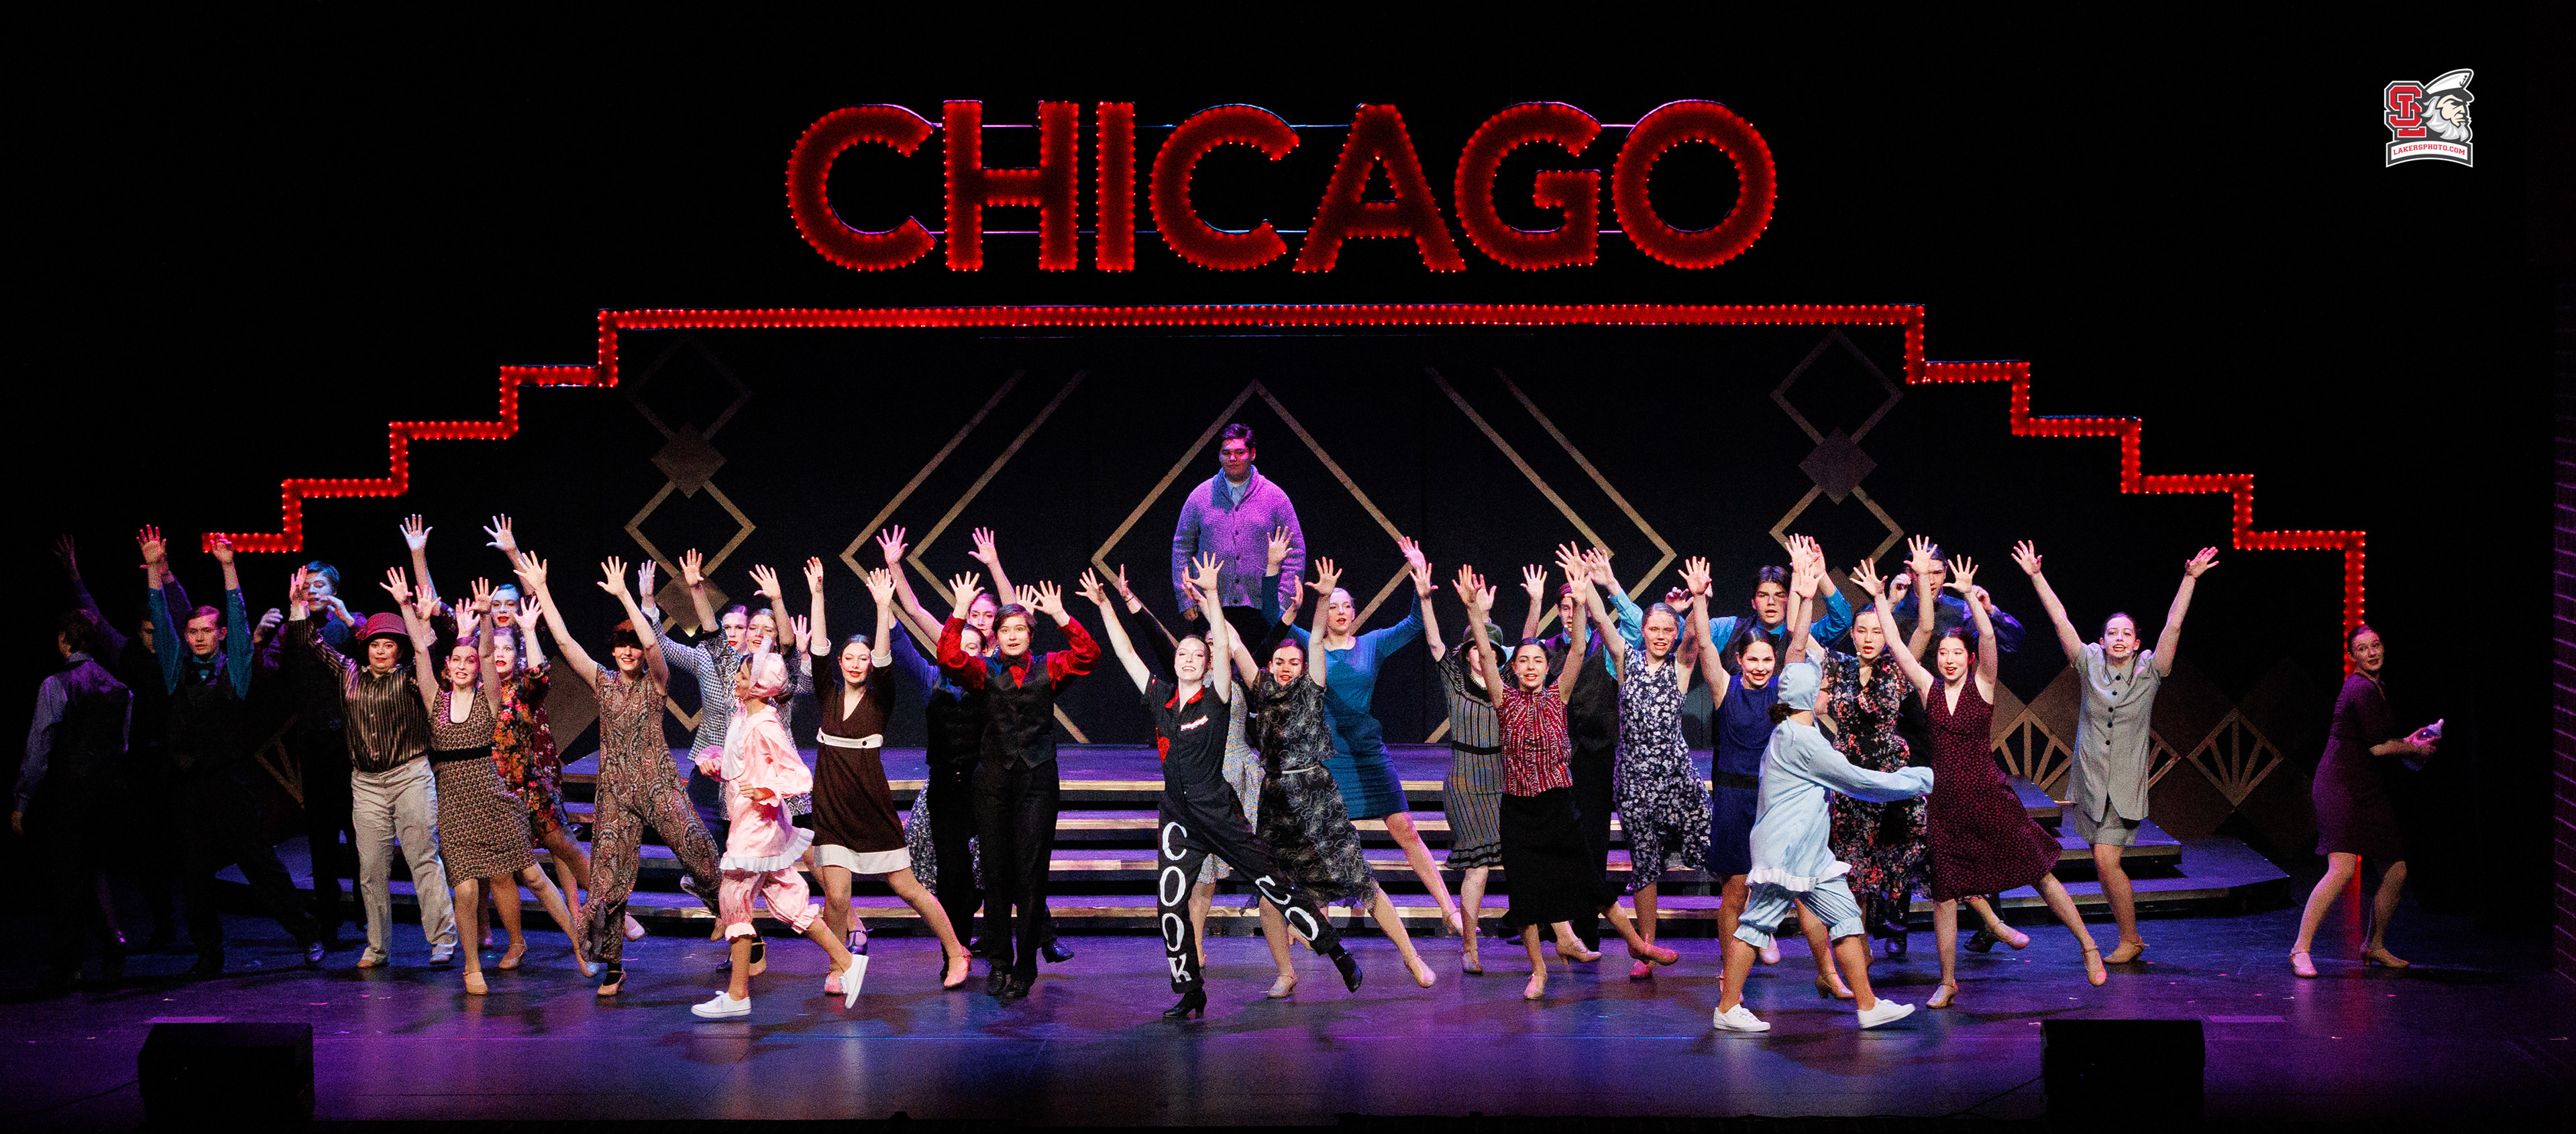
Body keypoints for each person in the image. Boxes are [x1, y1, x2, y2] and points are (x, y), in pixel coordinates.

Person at [1091, 554, 1365, 1017]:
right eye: (1183, 654)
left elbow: (1222, 641)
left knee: (1274, 884)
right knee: (1170, 905)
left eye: (1198, 655)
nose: (1190, 659)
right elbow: (1126, 654)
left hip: (1219, 811)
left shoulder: (1218, 697)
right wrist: (1105, 606)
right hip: (1178, 818)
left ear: (1207, 663)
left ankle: (1336, 952)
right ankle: (1191, 990)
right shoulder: (1160, 697)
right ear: (1175, 661)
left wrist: (1213, 597)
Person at [1863, 550, 2105, 1007]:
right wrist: (1880, 599)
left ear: (1970, 658)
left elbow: (1990, 635)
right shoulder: (1929, 689)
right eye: (1944, 654)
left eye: (1957, 653)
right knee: (1944, 896)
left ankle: (2089, 947)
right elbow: (1896, 644)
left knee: (2040, 874)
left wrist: (1972, 598)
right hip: (1946, 806)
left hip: (1989, 799)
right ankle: (1948, 981)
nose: (1949, 660)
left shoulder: (1984, 685)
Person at [514, 555, 720, 995]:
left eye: (634, 646)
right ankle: (611, 966)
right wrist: (542, 590)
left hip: (658, 783)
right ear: (612, 651)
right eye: (620, 646)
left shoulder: (656, 681)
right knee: (606, 880)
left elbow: (654, 649)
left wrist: (626, 596)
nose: (628, 652)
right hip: (616, 792)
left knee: (698, 846)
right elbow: (565, 643)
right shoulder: (603, 682)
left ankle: (728, 913)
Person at [1456, 565, 1662, 1000]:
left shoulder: (1558, 695)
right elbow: (1487, 657)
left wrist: (1584, 601)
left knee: (1591, 879)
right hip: (1519, 810)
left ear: (1547, 666)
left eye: (1538, 661)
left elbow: (1580, 647)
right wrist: (1475, 611)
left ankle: (1637, 944)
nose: (1531, 667)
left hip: (1559, 805)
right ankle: (1539, 971)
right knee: (1526, 895)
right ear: (1514, 669)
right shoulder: (1504, 700)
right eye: (1523, 661)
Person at [2014, 540, 2218, 965]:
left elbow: (2173, 626)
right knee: (2102, 862)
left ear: (2137, 641)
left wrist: (2189, 580)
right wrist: (2036, 576)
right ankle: (2130, 937)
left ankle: (2131, 939)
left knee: (2107, 860)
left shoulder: (2151, 672)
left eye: (2127, 633)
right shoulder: (2088, 663)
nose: (2119, 638)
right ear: (2102, 641)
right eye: (2112, 633)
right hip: (2090, 782)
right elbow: (2060, 619)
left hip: (2123, 785)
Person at [1709, 660, 1935, 1033]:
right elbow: (1859, 782)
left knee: (1846, 917)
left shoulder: (1798, 731)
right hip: (1785, 853)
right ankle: (1728, 1007)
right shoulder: (1802, 741)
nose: (1830, 694)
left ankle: (1868, 1005)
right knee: (1756, 924)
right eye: (1824, 689)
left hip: (1811, 855)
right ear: (1808, 696)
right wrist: (1921, 779)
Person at [875, 527, 1069, 964]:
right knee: (958, 869)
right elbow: (914, 613)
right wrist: (894, 567)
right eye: (975, 615)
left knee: (1011, 857)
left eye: (988, 617)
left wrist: (994, 564)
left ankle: (1039, 935)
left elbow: (1018, 613)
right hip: (951, 780)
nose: (980, 622)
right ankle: (961, 944)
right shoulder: (947, 659)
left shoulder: (998, 664)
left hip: (993, 776)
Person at [140, 528, 323, 974]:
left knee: (259, 863)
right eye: (192, 632)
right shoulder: (176, 669)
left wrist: (228, 567)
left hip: (228, 782)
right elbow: (161, 620)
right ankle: (209, 953)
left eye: (207, 631)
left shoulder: (234, 669)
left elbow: (240, 623)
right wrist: (154, 571)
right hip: (188, 785)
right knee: (195, 871)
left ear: (219, 634)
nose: (199, 638)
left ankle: (306, 932)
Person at [395, 572, 584, 993]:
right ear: (448, 667)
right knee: (465, 890)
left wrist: (483, 618)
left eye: (469, 662)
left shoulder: (490, 698)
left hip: (496, 800)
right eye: (456, 661)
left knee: (533, 876)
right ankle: (471, 966)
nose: (464, 666)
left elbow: (485, 654)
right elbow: (421, 653)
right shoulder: (435, 700)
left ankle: (578, 945)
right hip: (455, 806)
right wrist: (407, 608)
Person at [1271, 534, 1464, 937]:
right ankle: (1317, 929)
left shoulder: (1371, 645)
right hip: (1327, 756)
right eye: (1333, 605)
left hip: (1367, 751)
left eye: (1346, 606)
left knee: (1405, 827)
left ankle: (1450, 911)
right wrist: (1274, 568)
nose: (1340, 612)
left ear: (1355, 612)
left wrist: (1418, 576)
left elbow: (1414, 625)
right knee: (1322, 841)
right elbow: (1272, 619)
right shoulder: (1309, 643)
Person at [800, 560, 975, 992]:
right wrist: (817, 595)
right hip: (831, 806)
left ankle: (957, 950)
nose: (855, 664)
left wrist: (883, 608)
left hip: (870, 807)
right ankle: (838, 966)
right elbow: (818, 649)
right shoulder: (827, 693)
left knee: (909, 889)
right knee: (836, 896)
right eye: (849, 658)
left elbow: (883, 659)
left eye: (861, 659)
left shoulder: (882, 697)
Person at [282, 565, 459, 970]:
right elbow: (309, 644)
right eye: (375, 644)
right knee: (371, 868)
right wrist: (297, 608)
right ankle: (377, 947)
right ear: (366, 647)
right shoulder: (347, 673)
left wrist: (410, 609)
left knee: (422, 859)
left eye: (389, 644)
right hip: (366, 783)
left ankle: (442, 941)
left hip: (410, 775)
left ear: (399, 650)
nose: (381, 651)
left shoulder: (412, 677)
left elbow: (429, 650)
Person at [938, 576, 1098, 1000]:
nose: (1012, 636)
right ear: (996, 635)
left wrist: (1061, 616)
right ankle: (1000, 962)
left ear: (1030, 635)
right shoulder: (984, 671)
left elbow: (1089, 655)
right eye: (1005, 629)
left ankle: (1026, 966)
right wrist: (959, 611)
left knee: (1030, 873)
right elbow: (949, 659)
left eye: (1020, 629)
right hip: (992, 780)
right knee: (995, 873)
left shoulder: (1050, 666)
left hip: (1037, 780)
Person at [690, 652, 864, 1019]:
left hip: (758, 827)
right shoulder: (744, 716)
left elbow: (798, 775)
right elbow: (741, 765)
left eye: (742, 676)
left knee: (734, 897)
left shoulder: (766, 725)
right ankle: (847, 962)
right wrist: (717, 766)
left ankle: (738, 995)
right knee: (790, 904)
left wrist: (766, 791)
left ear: (758, 685)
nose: (736, 680)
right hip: (751, 822)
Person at [52, 535, 187, 950]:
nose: (153, 638)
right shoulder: (127, 653)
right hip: (143, 766)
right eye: (147, 632)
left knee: (187, 848)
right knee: (149, 853)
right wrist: (74, 575)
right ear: (138, 630)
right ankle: (164, 925)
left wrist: (163, 573)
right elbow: (95, 617)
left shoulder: (176, 656)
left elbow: (180, 611)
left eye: (157, 631)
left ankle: (195, 929)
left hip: (179, 763)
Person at [1571, 546, 1697, 980]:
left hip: (1676, 777)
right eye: (1654, 628)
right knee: (1645, 863)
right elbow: (1604, 623)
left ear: (1675, 634)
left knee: (1713, 849)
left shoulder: (1680, 665)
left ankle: (1743, 941)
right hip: (1635, 779)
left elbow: (1696, 641)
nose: (1661, 635)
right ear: (1643, 631)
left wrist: (1698, 599)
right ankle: (1646, 949)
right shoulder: (1627, 661)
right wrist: (1589, 583)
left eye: (1668, 630)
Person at [2290, 623, 2437, 978]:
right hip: (2340, 786)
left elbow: (2379, 740)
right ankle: (2300, 949)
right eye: (2363, 649)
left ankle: (2374, 945)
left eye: (2376, 646)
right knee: (2342, 868)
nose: (2372, 653)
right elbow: (2376, 748)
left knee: (2396, 869)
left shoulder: (2377, 687)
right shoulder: (2359, 688)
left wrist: (2409, 741)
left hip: (2367, 787)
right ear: (2352, 656)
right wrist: (2414, 749)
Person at [1519, 546, 1642, 949]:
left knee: (1593, 843)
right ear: (1559, 612)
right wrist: (1535, 603)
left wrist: (1605, 586)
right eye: (1566, 607)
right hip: (1555, 758)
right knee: (1553, 843)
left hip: (1598, 756)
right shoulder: (1550, 648)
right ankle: (1550, 924)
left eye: (1579, 604)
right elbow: (1522, 654)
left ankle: (1586, 928)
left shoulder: (1607, 643)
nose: (1572, 612)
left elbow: (1639, 626)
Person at [1816, 541, 1931, 957]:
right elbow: (1799, 643)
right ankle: (1858, 946)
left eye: (1877, 631)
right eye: (1861, 631)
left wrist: (1919, 581)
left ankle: (1897, 924)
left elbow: (1925, 629)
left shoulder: (1897, 668)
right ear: (1851, 634)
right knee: (1852, 869)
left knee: (1898, 858)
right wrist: (1812, 582)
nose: (1868, 638)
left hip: (1889, 775)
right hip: (1848, 775)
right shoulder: (1838, 666)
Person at [13, 610, 133, 991]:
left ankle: (71, 963)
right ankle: (111, 941)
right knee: (92, 871)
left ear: (63, 639)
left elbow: (39, 748)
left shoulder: (57, 685)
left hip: (70, 793)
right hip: (108, 793)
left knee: (68, 877)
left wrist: (22, 801)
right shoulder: (119, 688)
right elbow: (122, 745)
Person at [259, 550, 364, 951]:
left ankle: (368, 913)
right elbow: (267, 673)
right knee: (321, 837)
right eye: (306, 587)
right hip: (314, 743)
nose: (313, 592)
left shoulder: (348, 624)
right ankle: (329, 920)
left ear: (334, 590)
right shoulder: (291, 630)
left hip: (351, 743)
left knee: (360, 833)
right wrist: (260, 637)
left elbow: (375, 657)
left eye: (320, 585)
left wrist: (348, 618)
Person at [1430, 558, 1505, 975]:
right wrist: (1427, 600)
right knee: (1477, 866)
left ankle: (1559, 938)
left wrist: (1489, 616)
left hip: (1503, 780)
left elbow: (1526, 645)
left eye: (1488, 648)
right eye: (1476, 647)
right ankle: (1470, 945)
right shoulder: (1454, 680)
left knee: (1522, 861)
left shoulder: (1507, 683)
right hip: (1465, 782)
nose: (1482, 653)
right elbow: (1435, 643)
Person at [1171, 423, 1305, 647]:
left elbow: (1296, 552)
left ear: (1252, 454)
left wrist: (1281, 601)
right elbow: (1182, 547)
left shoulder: (1275, 498)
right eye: (1226, 453)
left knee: (1257, 668)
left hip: (1261, 610)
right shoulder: (1200, 496)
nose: (1232, 458)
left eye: (1239, 452)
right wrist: (1186, 596)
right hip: (1209, 605)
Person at [1703, 537, 1851, 662]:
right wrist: (1701, 600)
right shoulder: (1730, 629)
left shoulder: (1807, 632)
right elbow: (1695, 634)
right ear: (1753, 602)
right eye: (1763, 595)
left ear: (1790, 600)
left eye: (1780, 596)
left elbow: (1842, 622)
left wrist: (1821, 575)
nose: (1771, 602)